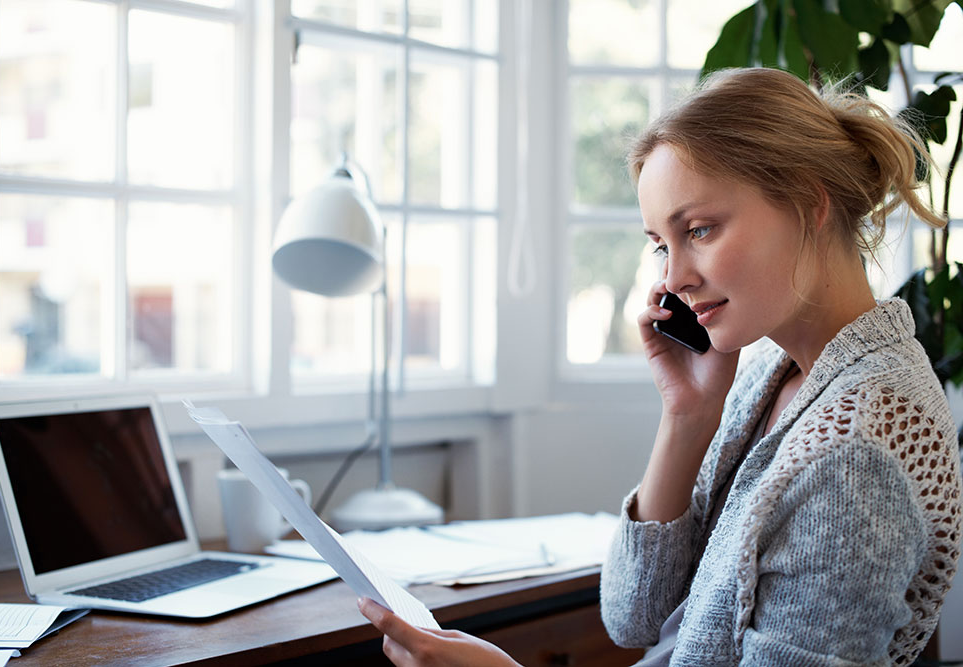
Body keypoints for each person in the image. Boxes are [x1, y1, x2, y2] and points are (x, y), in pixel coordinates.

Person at [359, 67, 963, 666]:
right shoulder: (769, 373)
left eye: (699, 229)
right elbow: (633, 615)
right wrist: (688, 414)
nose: (673, 278)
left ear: (809, 203)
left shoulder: (858, 448)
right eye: (660, 244)